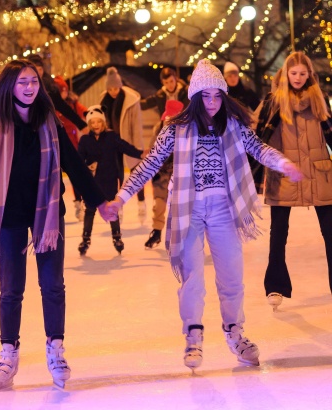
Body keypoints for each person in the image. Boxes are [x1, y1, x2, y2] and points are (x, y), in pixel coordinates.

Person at [106, 59, 302, 371]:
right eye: (206, 96)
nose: (212, 102)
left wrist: (283, 163)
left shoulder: (234, 125)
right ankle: (193, 335)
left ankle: (235, 332)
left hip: (224, 208)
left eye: (217, 96)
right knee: (192, 277)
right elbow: (150, 163)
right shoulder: (177, 128)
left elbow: (259, 148)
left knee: (231, 276)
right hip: (188, 209)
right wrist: (121, 197)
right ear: (195, 98)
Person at [0, 59, 110, 390]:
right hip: (11, 212)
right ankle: (8, 351)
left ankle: (55, 347)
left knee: (52, 283)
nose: (29, 88)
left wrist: (100, 201)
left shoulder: (49, 121)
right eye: (22, 82)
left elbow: (73, 163)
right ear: (9, 87)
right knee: (11, 287)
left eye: (33, 81)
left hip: (47, 211)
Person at [251, 51, 332, 310]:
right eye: (293, 73)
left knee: (330, 233)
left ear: (310, 75)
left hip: (320, 173)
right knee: (279, 233)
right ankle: (275, 286)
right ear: (286, 74)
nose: (297, 77)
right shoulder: (273, 101)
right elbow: (258, 137)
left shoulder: (320, 101)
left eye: (302, 73)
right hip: (285, 173)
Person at [77, 105, 145, 255]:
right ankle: (85, 239)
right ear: (89, 124)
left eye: (98, 122)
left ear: (103, 122)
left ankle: (117, 237)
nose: (96, 125)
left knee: (112, 209)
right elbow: (79, 161)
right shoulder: (84, 140)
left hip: (109, 180)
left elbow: (125, 147)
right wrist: (88, 166)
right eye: (92, 122)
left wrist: (140, 154)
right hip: (92, 182)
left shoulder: (111, 137)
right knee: (90, 210)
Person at [100, 67, 145, 218]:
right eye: (110, 88)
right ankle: (117, 205)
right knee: (116, 173)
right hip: (113, 143)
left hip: (129, 140)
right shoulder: (104, 101)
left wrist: (137, 147)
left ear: (120, 86)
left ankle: (141, 202)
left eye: (116, 88)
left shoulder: (131, 100)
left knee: (136, 173)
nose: (113, 91)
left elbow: (136, 125)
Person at [144, 100, 183, 249]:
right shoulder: (158, 128)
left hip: (179, 172)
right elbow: (152, 148)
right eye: (167, 119)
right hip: (161, 172)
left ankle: (180, 235)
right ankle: (157, 231)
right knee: (159, 203)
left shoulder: (186, 131)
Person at [54, 75, 87, 221]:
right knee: (55, 178)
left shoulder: (72, 104)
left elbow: (84, 112)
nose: (63, 94)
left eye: (64, 91)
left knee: (75, 176)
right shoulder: (50, 105)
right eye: (60, 91)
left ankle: (79, 202)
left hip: (72, 145)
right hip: (55, 146)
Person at [27, 54, 87, 131]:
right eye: (35, 69)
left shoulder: (49, 87)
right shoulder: (23, 86)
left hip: (44, 127)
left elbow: (62, 106)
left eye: (40, 69)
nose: (38, 73)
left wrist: (82, 125)